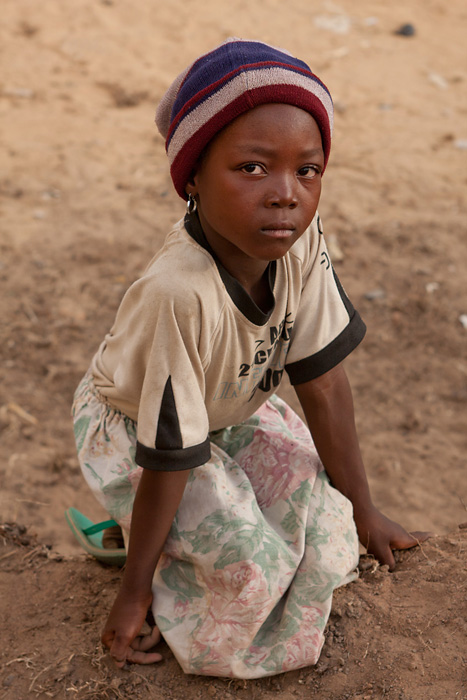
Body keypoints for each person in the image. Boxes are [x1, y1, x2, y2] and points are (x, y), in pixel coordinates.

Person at [72, 38, 430, 678]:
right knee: (251, 577)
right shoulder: (177, 293)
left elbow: (321, 381)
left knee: (330, 533)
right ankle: (132, 544)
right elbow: (169, 451)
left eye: (308, 170)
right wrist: (133, 596)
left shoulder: (299, 242)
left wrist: (364, 508)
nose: (286, 194)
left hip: (228, 411)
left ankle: (162, 532)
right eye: (253, 168)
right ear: (191, 178)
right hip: (140, 434)